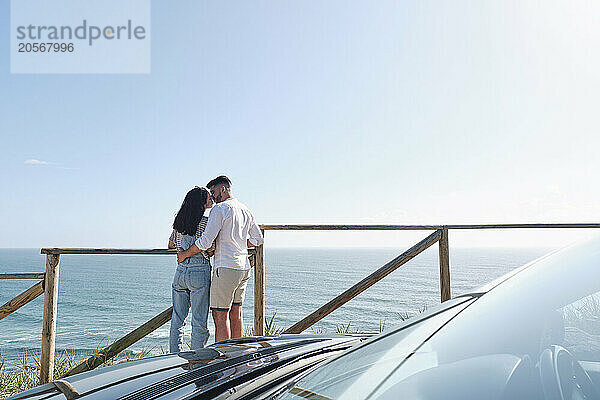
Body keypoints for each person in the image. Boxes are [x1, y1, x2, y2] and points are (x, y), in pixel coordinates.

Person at [177, 175, 263, 342]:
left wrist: (184, 254)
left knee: (220, 315)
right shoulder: (245, 209)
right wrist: (238, 242)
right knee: (236, 313)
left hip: (225, 268)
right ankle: (238, 356)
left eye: (214, 191)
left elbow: (205, 242)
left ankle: (223, 360)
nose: (213, 196)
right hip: (243, 267)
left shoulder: (220, 209)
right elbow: (258, 240)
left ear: (223, 189)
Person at [168, 186, 214, 352]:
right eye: (208, 198)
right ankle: (197, 360)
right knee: (199, 320)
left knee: (178, 319)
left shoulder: (180, 220)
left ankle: (173, 358)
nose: (211, 199)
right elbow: (209, 249)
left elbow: (171, 244)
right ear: (201, 203)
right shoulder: (206, 223)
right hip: (199, 270)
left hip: (180, 272)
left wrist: (181, 251)